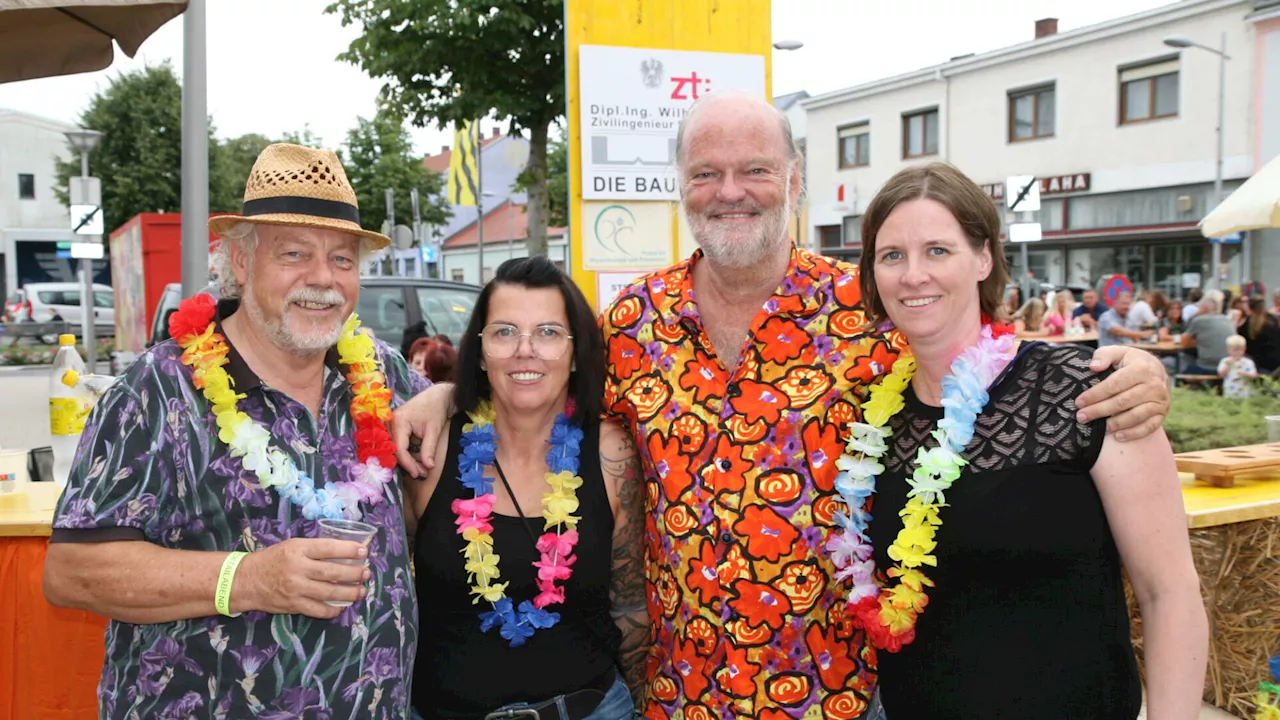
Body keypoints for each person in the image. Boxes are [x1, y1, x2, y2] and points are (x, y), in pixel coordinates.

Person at [391, 92, 1173, 718]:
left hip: (838, 693)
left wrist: (1133, 366)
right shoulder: (634, 317)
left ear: (794, 177)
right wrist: (440, 396)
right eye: (706, 173)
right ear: (681, 188)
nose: (730, 191)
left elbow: (980, 367)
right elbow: (540, 390)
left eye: (755, 169)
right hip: (681, 696)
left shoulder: (869, 307)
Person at [42, 144, 427, 718]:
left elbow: (466, 442)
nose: (322, 279)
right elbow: (72, 574)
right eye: (294, 253)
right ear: (242, 263)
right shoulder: (158, 389)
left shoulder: (380, 373)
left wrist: (447, 394)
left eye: (343, 260)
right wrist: (247, 578)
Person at [857, 161, 1207, 719]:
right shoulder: (872, 416)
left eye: (938, 250)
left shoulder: (1089, 393)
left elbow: (1170, 594)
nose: (913, 274)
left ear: (984, 259)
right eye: (891, 255)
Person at [406, 256, 647, 719]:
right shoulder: (430, 451)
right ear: (481, 349)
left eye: (549, 332)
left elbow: (631, 606)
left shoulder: (611, 453)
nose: (525, 349)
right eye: (504, 331)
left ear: (577, 353)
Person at [1183, 290, 1236, 375]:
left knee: (1184, 369)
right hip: (1228, 366)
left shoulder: (1199, 320)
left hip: (1207, 367)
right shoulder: (1228, 320)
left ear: (1203, 307)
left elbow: (1184, 343)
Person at [1241, 296, 1280, 374]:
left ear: (1248, 307)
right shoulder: (1273, 320)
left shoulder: (1247, 324)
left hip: (1258, 364)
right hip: (1276, 364)